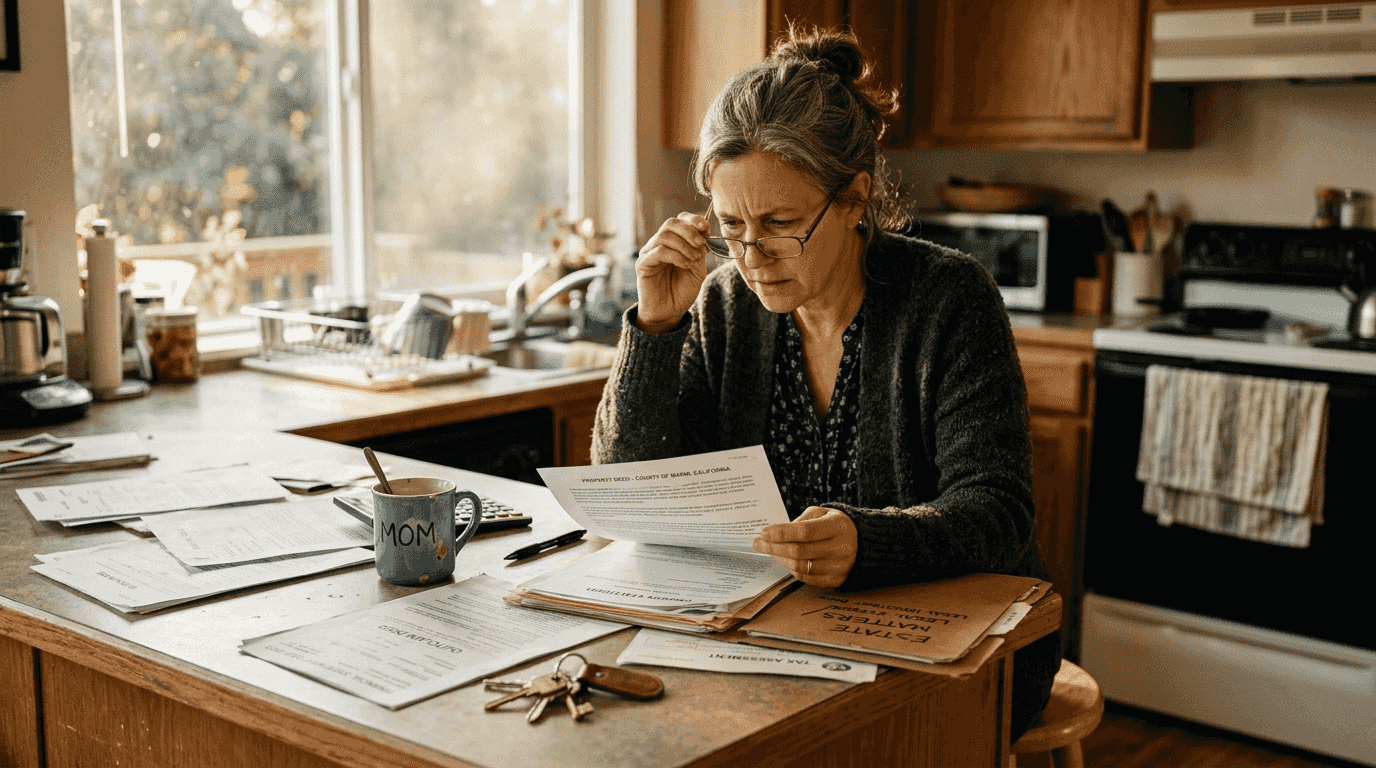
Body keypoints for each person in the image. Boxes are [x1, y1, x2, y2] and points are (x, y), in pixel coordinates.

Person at [591, 26, 1059, 739]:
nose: (752, 257)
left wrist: (868, 543)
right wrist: (655, 328)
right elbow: (632, 491)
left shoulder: (947, 298)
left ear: (854, 198)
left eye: (780, 224)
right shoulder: (721, 306)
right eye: (731, 226)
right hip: (774, 641)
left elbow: (998, 510)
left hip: (959, 656)